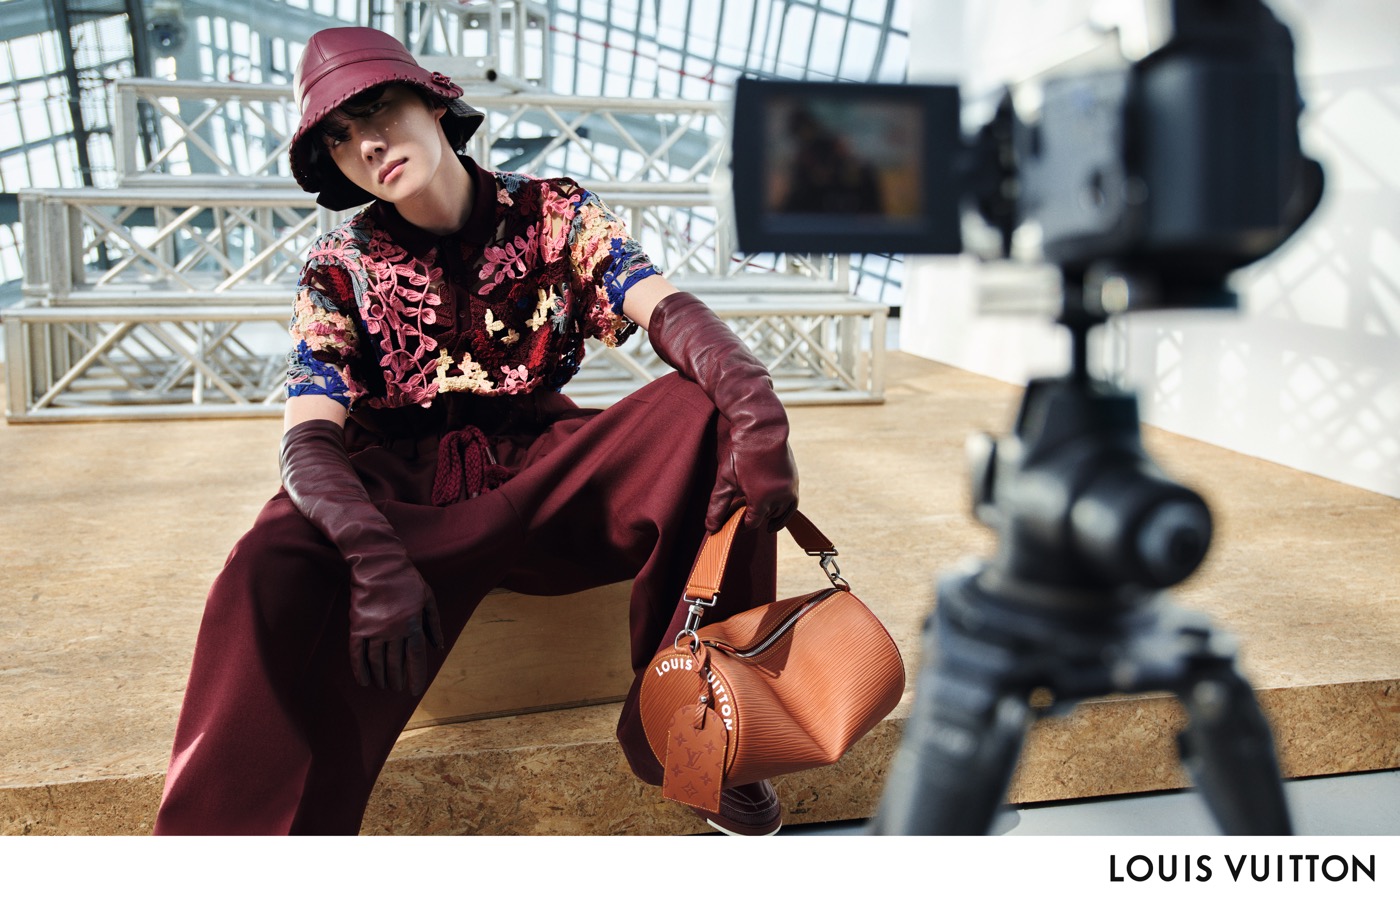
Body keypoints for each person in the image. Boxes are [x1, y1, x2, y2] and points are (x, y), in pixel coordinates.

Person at [151, 27, 798, 836]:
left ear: (434, 102)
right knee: (266, 556)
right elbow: (307, 437)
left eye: (376, 110)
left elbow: (661, 305)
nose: (366, 144)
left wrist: (756, 407)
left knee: (709, 411)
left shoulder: (555, 212)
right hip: (406, 491)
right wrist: (368, 551)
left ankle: (698, 737)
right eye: (340, 138)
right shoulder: (337, 265)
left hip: (547, 470)